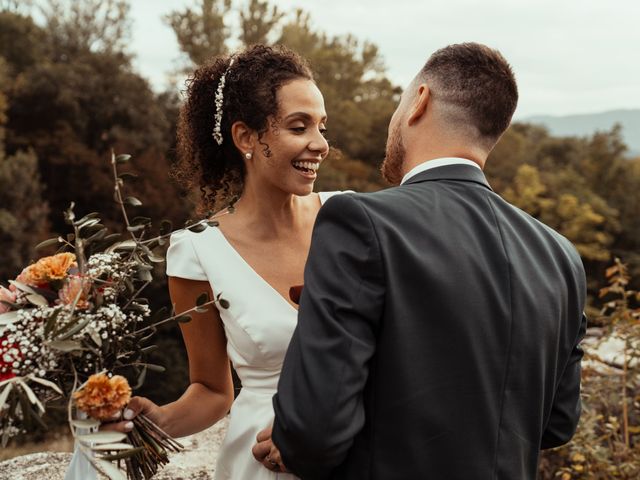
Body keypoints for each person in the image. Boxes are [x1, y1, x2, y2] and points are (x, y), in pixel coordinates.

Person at [253, 43, 587, 479]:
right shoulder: (561, 255)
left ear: (420, 102)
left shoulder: (361, 222)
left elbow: (316, 432)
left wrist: (295, 438)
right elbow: (558, 421)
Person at [107, 44, 333, 479]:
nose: (320, 144)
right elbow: (212, 391)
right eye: (298, 126)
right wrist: (156, 422)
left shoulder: (349, 220)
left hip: (357, 450)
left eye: (322, 127)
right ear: (247, 138)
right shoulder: (196, 249)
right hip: (260, 463)